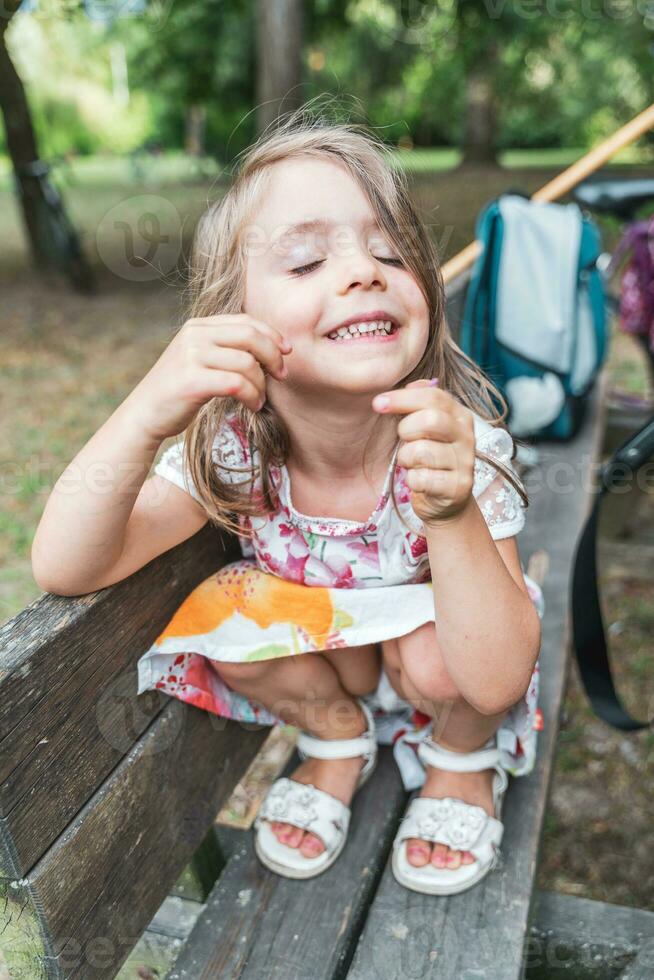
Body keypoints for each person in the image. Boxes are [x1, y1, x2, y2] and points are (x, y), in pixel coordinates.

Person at [31, 103, 543, 896]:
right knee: (223, 619)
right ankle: (339, 738)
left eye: (389, 250)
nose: (364, 270)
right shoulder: (235, 452)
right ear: (234, 325)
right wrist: (142, 413)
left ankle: (461, 760)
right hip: (330, 660)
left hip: (445, 671)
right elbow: (65, 566)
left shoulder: (455, 451)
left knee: (439, 663)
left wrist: (451, 514)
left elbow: (497, 675)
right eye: (305, 262)